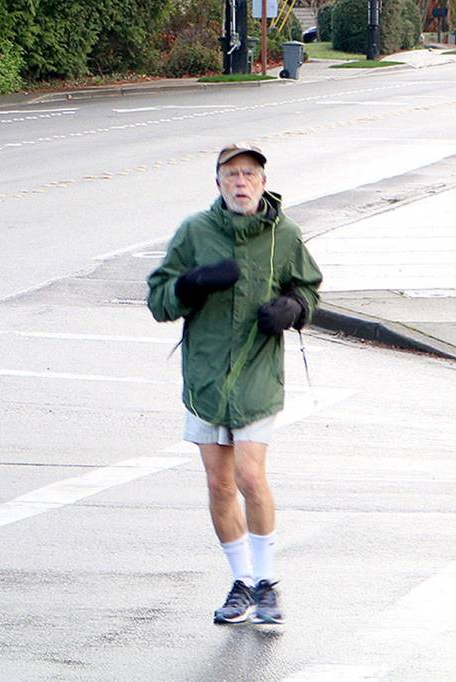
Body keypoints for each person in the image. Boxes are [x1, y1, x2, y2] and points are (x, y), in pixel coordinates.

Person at [146, 142, 323, 625]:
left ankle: (267, 584)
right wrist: (192, 283)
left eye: (249, 174)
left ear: (263, 182)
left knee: (249, 475)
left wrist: (294, 309)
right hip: (205, 375)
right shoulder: (194, 232)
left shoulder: (283, 235)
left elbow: (307, 287)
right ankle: (241, 583)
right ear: (218, 183)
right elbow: (159, 299)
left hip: (257, 371)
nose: (240, 182)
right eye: (231, 175)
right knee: (219, 483)